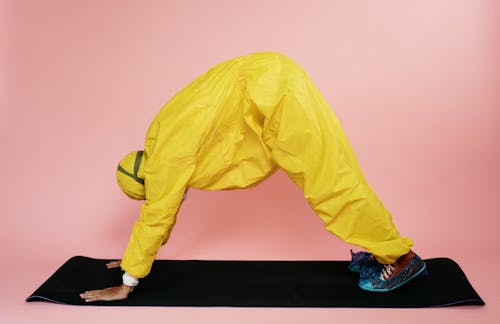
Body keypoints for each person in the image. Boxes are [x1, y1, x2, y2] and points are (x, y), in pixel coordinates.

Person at [80, 52, 426, 302]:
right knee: (331, 176)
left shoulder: (166, 162)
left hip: (273, 98)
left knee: (330, 184)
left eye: (148, 192)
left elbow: (158, 213)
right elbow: (163, 205)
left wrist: (130, 278)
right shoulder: (162, 133)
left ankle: (398, 258)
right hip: (269, 79)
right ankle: (381, 249)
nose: (158, 194)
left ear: (147, 180)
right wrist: (134, 257)